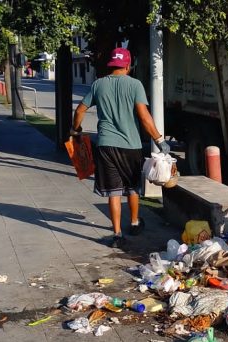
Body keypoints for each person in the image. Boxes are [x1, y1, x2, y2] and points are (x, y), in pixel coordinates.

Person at [71, 47, 169, 248]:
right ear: (127, 65)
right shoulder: (135, 85)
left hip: (106, 145)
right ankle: (134, 223)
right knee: (132, 187)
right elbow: (144, 117)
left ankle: (117, 234)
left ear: (112, 65)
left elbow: (80, 110)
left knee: (114, 191)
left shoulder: (98, 84)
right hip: (130, 146)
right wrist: (160, 140)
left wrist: (76, 129)